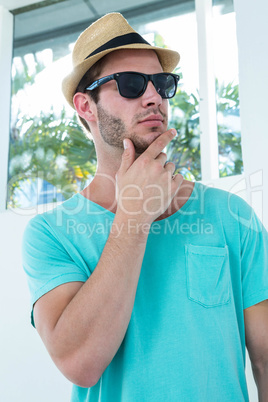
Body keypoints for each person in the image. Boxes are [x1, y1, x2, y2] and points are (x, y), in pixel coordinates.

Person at [22, 12, 268, 402]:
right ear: (86, 106)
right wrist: (134, 216)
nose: (153, 96)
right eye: (132, 84)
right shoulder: (51, 234)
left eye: (162, 83)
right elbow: (80, 363)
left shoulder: (232, 215)